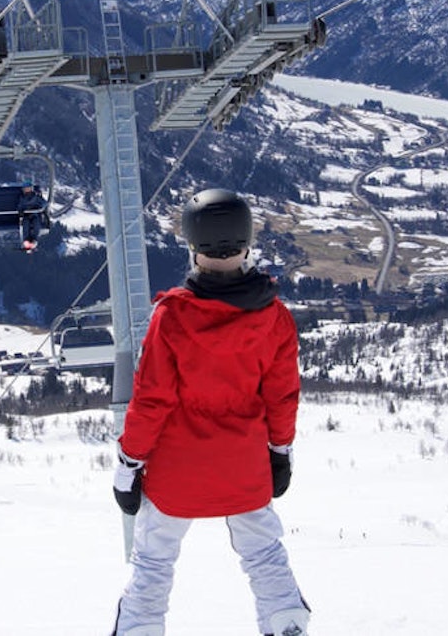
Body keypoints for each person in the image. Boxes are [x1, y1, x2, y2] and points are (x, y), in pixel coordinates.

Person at [111, 188, 309, 636]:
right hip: (244, 466)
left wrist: (129, 462)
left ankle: (140, 628)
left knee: (153, 560)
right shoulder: (274, 317)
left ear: (192, 243)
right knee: (263, 551)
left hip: (176, 473)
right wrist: (280, 451)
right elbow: (282, 397)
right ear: (247, 241)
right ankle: (285, 621)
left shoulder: (171, 317)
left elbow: (151, 400)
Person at [16, 180, 47, 252]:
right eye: (25, 189)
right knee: (26, 224)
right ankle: (27, 239)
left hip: (35, 214)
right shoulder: (22, 198)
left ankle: (33, 240)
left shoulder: (36, 196)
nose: (26, 190)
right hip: (26, 215)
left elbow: (44, 203)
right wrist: (21, 212)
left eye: (28, 188)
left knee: (36, 224)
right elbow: (20, 206)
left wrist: (40, 207)